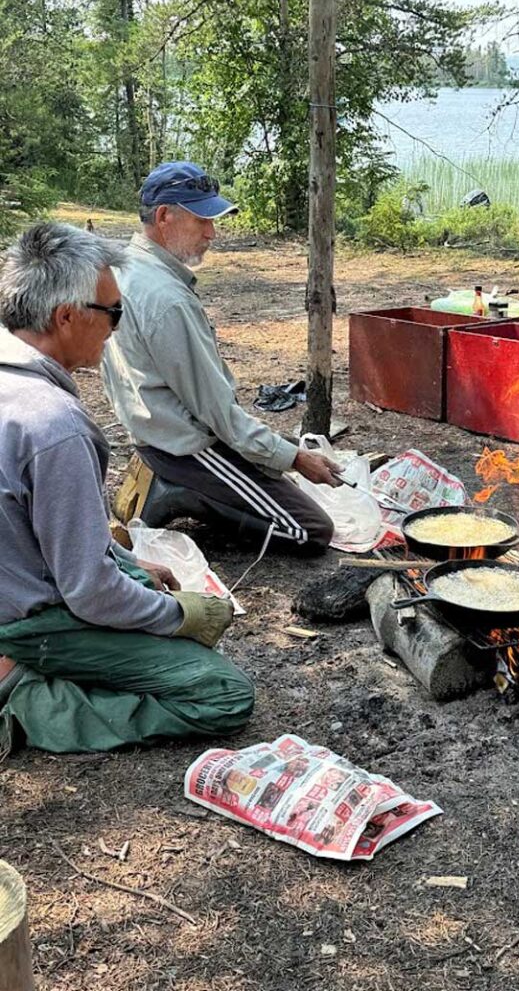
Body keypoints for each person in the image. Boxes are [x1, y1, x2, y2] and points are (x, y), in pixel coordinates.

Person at [0, 222, 254, 756]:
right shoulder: (54, 426)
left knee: (131, 581)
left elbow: (35, 527)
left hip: (17, 583)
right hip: (30, 620)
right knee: (222, 694)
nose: (116, 327)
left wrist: (129, 565)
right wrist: (178, 616)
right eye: (111, 312)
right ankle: (24, 694)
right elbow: (87, 592)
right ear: (65, 317)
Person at [101, 161, 341, 555]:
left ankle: (181, 482)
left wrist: (275, 453)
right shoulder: (166, 299)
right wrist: (293, 457)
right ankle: (180, 494)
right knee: (311, 531)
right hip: (185, 447)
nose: (212, 233)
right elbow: (217, 414)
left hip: (155, 430)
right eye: (201, 221)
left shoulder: (125, 268)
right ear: (164, 217)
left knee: (268, 469)